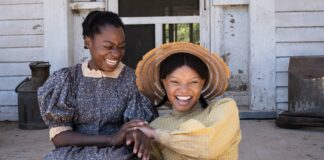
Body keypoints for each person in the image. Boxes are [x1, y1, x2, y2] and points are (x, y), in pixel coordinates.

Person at [38, 11, 157, 160]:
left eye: (121, 46)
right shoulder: (68, 79)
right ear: (88, 42)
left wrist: (136, 133)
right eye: (108, 46)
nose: (116, 54)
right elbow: (59, 138)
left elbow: (136, 127)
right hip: (74, 153)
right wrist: (110, 139)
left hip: (118, 153)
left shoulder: (132, 81)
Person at [134, 42, 242, 159]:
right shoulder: (157, 125)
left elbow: (208, 147)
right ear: (165, 83)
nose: (184, 90)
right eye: (175, 82)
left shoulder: (225, 108)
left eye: (193, 82)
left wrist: (156, 134)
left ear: (202, 83)